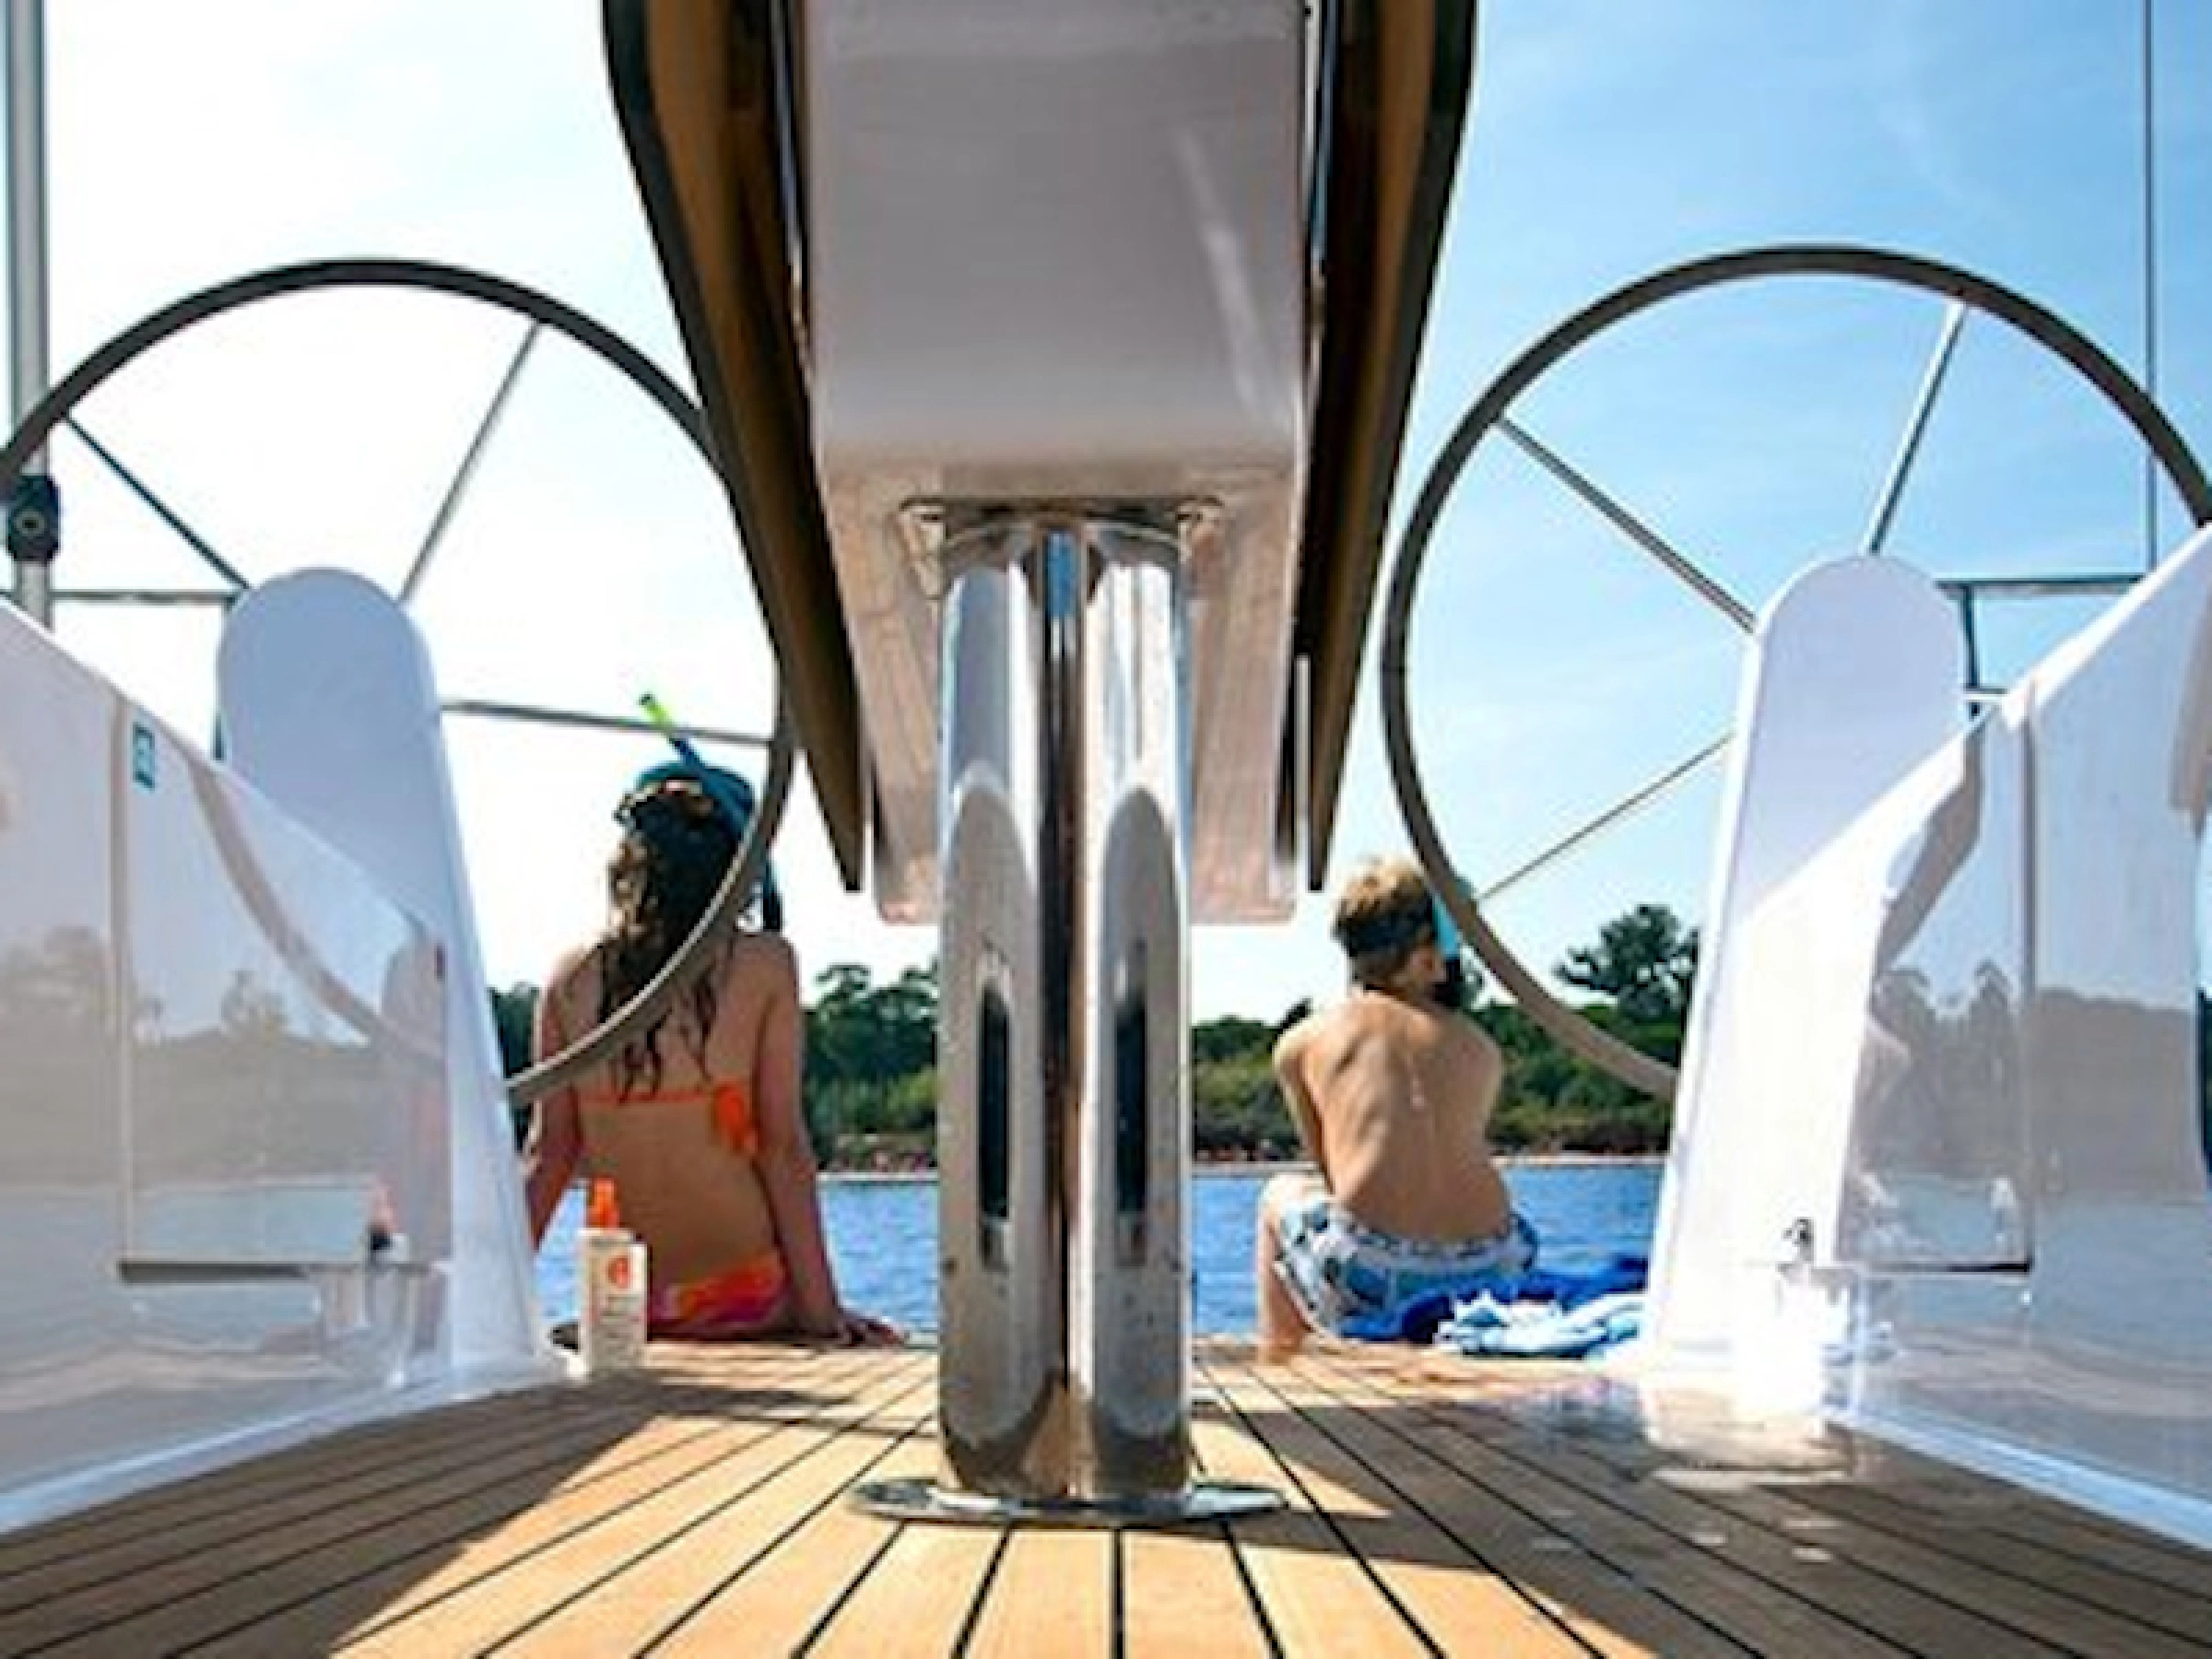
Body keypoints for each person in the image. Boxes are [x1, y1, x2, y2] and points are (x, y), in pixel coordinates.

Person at [523, 765, 899, 1347]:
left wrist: (480, 1309)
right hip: (748, 1297)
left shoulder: (569, 979)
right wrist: (822, 1314)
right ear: (740, 870)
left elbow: (549, 1157)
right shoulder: (764, 966)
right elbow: (782, 1149)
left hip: (625, 1302)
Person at [1255, 856, 1535, 1358]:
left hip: (1377, 1271)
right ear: (1429, 957)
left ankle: (1282, 1354)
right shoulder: (1481, 1047)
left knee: (1279, 1193)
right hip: (1495, 1269)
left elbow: (1335, 1178)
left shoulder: (1303, 1044)